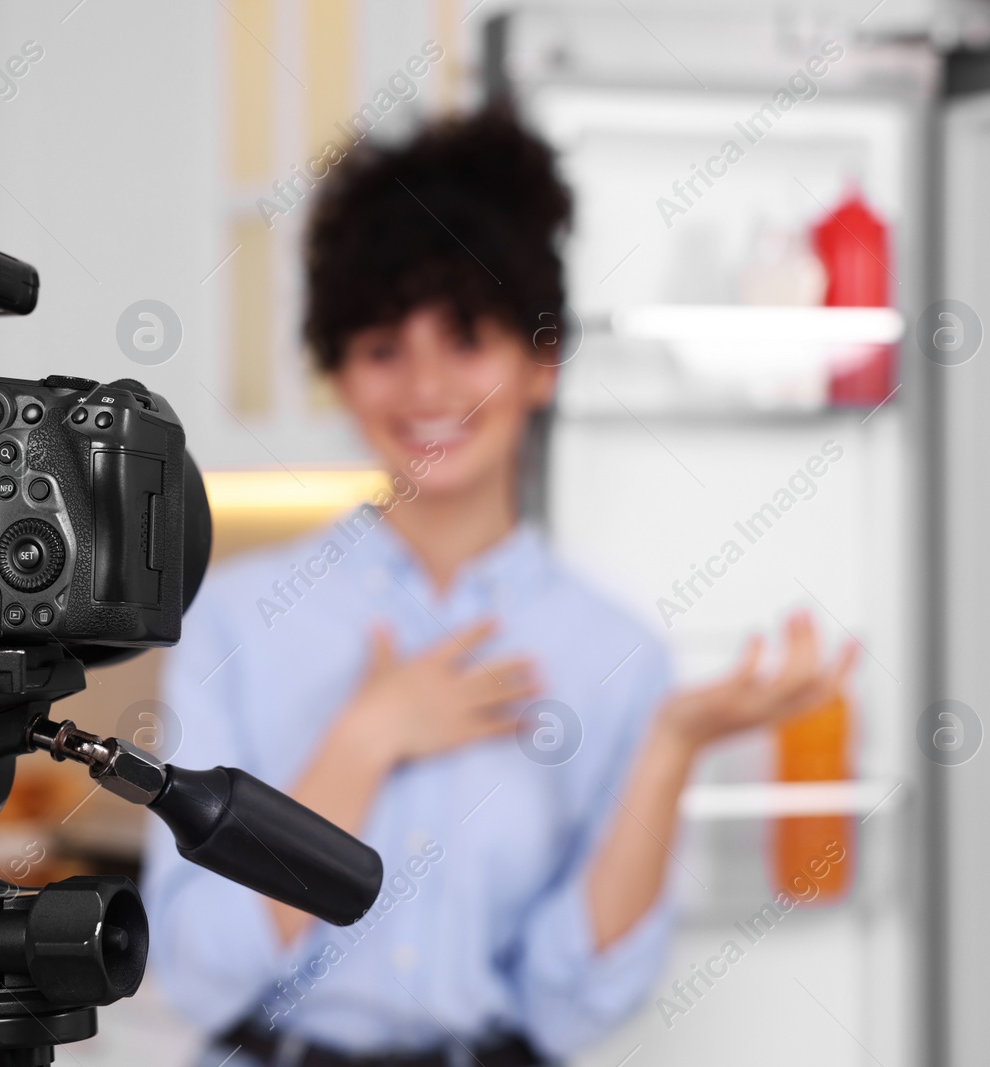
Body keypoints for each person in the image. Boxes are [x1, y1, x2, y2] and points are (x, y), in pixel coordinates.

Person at [143, 105, 855, 1067]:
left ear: (541, 363)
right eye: (383, 347)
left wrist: (673, 747)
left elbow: (573, 999)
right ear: (340, 374)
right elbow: (195, 970)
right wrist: (365, 738)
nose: (428, 387)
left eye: (469, 338)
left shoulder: (613, 655)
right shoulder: (235, 618)